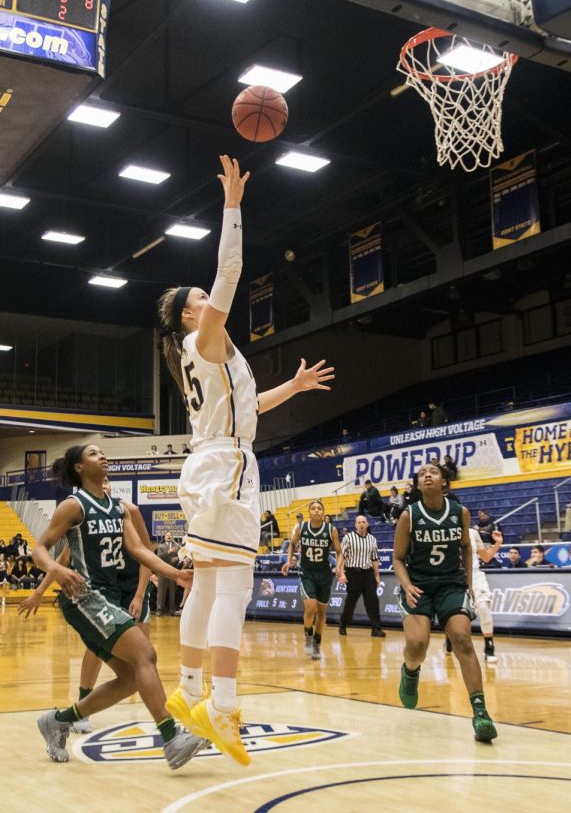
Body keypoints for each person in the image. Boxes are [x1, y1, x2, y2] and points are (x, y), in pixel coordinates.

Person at [156, 156, 334, 765]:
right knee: (235, 584)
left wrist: (293, 386)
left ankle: (185, 692)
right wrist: (232, 204)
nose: (210, 303)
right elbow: (229, 270)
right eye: (200, 301)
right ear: (188, 314)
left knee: (207, 585)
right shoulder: (204, 336)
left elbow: (248, 405)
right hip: (225, 466)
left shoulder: (199, 355)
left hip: (209, 463)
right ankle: (223, 706)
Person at [30, 444, 205, 770]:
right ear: (80, 468)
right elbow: (39, 548)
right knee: (145, 655)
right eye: (94, 454)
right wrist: (54, 569)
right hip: (84, 596)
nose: (103, 457)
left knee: (129, 679)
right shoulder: (74, 505)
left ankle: (58, 720)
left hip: (108, 597)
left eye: (102, 453)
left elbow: (140, 551)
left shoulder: (119, 508)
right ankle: (171, 738)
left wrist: (176, 573)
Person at [392, 461, 497, 742]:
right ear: (418, 483)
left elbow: (465, 547)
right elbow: (398, 558)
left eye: (433, 472)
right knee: (417, 644)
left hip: (451, 583)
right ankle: (410, 671)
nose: (427, 475)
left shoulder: (460, 513)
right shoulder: (409, 515)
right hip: (419, 585)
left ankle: (480, 713)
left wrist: (468, 583)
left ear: (444, 483)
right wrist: (407, 584)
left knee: (462, 638)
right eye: (422, 473)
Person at [281, 499, 343, 659]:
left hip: (324, 574)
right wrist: (289, 561)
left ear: (323, 512)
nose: (316, 511)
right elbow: (292, 545)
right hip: (307, 572)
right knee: (310, 607)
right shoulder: (301, 528)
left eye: (319, 508)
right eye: (313, 508)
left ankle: (317, 643)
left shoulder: (331, 530)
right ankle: (308, 638)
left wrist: (339, 567)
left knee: (322, 613)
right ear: (309, 512)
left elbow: (339, 551)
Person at [446, 528, 502, 662]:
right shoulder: (445, 531)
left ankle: (489, 646)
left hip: (475, 574)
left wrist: (498, 543)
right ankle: (449, 638)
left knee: (483, 607)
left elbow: (486, 557)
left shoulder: (472, 533)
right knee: (453, 614)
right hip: (454, 576)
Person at [338, 515, 385, 638]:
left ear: (367, 524)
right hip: (353, 573)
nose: (361, 524)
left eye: (363, 522)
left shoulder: (372, 539)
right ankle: (343, 623)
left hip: (368, 573)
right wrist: (341, 573)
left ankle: (376, 628)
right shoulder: (348, 537)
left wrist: (377, 576)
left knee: (373, 601)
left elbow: (374, 559)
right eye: (359, 522)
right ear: (355, 525)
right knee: (351, 601)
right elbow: (342, 556)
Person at [155, 533, 180, 616]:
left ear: (172, 537)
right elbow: (158, 557)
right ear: (164, 537)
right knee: (161, 591)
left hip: (173, 570)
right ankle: (159, 609)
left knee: (173, 591)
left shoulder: (177, 546)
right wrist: (169, 552)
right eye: (167, 535)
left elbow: (181, 556)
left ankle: (172, 610)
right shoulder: (161, 546)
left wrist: (177, 559)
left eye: (170, 535)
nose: (169, 536)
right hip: (162, 571)